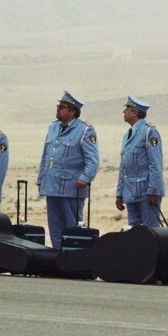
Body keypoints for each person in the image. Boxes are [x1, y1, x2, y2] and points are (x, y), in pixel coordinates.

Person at [36, 91, 99, 249]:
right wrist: (41, 179)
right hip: (52, 186)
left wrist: (85, 178)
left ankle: (73, 257)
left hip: (71, 188)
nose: (58, 109)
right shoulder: (53, 127)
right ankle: (58, 255)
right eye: (58, 106)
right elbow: (46, 156)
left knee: (72, 226)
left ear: (72, 112)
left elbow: (92, 159)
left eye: (62, 107)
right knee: (55, 226)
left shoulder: (84, 130)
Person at [115, 96, 166, 227]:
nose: (124, 111)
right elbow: (124, 168)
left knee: (150, 232)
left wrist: (154, 190)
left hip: (146, 192)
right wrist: (120, 193)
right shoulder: (127, 135)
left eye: (127, 108)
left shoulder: (149, 131)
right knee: (133, 233)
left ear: (135, 112)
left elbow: (155, 163)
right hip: (130, 192)